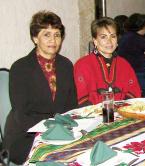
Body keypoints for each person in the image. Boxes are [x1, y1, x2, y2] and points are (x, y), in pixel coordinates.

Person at [3, 11, 77, 164]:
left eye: (57, 35)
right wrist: (51, 129)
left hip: (60, 130)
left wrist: (65, 127)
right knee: (57, 158)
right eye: (47, 35)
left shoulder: (66, 65)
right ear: (35, 38)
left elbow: (71, 105)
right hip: (26, 133)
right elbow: (21, 113)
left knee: (83, 149)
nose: (53, 40)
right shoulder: (20, 68)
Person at [74, 17, 141, 106]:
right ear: (95, 41)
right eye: (103, 37)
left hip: (123, 115)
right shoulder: (82, 65)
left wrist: (121, 110)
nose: (109, 41)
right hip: (92, 117)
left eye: (113, 36)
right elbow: (81, 99)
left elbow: (134, 93)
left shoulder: (124, 64)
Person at [118, 13, 145, 97]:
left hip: (124, 73)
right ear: (143, 26)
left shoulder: (124, 37)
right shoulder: (139, 39)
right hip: (139, 74)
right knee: (144, 96)